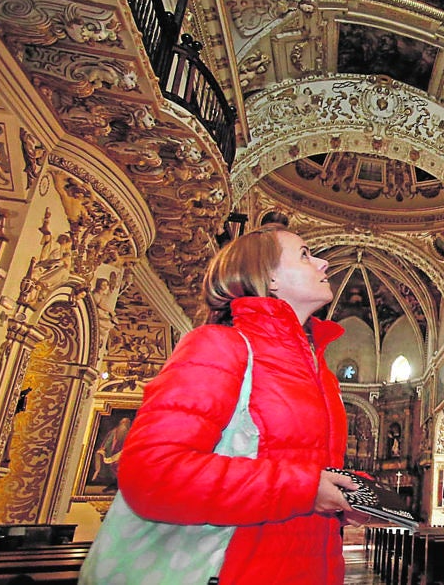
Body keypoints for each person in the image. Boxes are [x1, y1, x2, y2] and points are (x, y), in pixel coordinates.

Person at [106, 224, 355, 583]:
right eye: (304, 255)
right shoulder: (219, 346)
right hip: (232, 570)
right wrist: (304, 488)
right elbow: (153, 474)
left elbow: (295, 465)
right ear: (268, 278)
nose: (323, 264)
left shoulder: (319, 372)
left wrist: (345, 491)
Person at [88, 416, 131, 489]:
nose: (123, 425)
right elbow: (108, 443)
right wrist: (103, 449)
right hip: (113, 455)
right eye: (123, 423)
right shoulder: (114, 432)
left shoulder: (130, 433)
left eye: (125, 423)